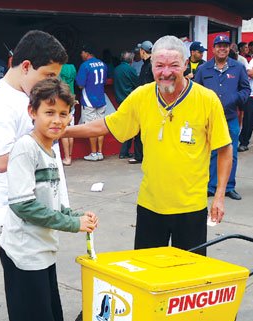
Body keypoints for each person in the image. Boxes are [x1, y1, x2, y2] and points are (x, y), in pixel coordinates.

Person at [65, 35, 233, 253]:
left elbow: (225, 149)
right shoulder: (141, 97)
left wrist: (219, 196)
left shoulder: (207, 99)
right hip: (150, 206)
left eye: (173, 65)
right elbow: (105, 125)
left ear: (185, 65)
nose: (165, 72)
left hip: (191, 208)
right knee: (148, 275)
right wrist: (62, 131)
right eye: (159, 65)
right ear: (150, 64)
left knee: (187, 276)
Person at [0, 30, 74, 321]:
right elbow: (2, 161)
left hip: (43, 223)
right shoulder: (1, 103)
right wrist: (39, 136)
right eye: (47, 74)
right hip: (23, 223)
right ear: (25, 66)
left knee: (50, 316)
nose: (51, 83)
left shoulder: (27, 99)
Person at [0, 78, 96, 321]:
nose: (57, 120)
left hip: (42, 254)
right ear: (32, 112)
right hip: (24, 255)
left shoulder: (50, 148)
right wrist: (72, 224)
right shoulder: (26, 148)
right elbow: (23, 205)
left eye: (63, 113)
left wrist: (75, 213)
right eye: (49, 112)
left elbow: (51, 204)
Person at [195, 34, 250, 201]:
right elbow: (196, 92)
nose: (222, 48)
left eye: (225, 46)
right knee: (212, 153)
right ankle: (212, 186)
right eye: (219, 46)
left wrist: (235, 99)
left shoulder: (238, 67)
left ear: (229, 49)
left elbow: (246, 90)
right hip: (209, 120)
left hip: (230, 118)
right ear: (213, 49)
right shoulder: (203, 69)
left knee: (230, 153)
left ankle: (228, 187)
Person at [75, 44, 107, 161]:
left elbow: (80, 84)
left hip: (89, 100)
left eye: (82, 53)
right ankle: (100, 152)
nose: (80, 55)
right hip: (101, 99)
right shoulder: (103, 64)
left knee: (91, 127)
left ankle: (93, 153)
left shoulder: (85, 66)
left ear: (87, 53)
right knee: (101, 127)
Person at [113, 51, 139, 160]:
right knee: (132, 126)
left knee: (126, 125)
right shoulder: (130, 70)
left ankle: (124, 151)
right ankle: (124, 151)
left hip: (119, 100)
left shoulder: (116, 69)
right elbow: (138, 84)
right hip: (130, 100)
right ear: (131, 60)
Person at [59, 62, 77, 166]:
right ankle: (70, 155)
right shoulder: (72, 67)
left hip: (62, 100)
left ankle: (67, 158)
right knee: (71, 127)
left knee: (64, 129)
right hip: (72, 98)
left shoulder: (58, 69)